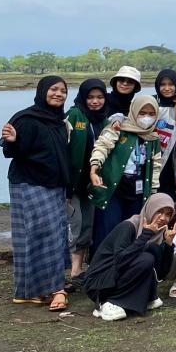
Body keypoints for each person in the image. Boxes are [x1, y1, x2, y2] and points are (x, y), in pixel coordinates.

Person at [0, 76, 72, 311]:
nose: (58, 94)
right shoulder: (26, 118)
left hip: (53, 185)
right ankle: (55, 289)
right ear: (42, 91)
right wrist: (13, 141)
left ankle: (32, 291)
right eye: (53, 89)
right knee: (41, 235)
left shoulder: (59, 121)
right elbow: (10, 148)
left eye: (63, 91)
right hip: (29, 183)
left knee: (53, 234)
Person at [81, 193, 176, 321]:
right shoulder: (129, 226)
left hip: (115, 276)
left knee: (151, 253)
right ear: (150, 209)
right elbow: (121, 260)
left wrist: (169, 245)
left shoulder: (158, 234)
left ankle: (142, 298)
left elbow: (161, 274)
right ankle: (109, 303)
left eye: (168, 214)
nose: (163, 218)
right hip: (98, 283)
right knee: (146, 258)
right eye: (159, 212)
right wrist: (145, 235)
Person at [88, 94, 162, 255]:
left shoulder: (153, 137)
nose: (146, 118)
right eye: (142, 113)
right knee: (108, 228)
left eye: (151, 114)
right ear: (134, 111)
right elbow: (102, 147)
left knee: (131, 229)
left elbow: (156, 166)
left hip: (137, 191)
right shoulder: (117, 128)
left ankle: (124, 268)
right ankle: (100, 268)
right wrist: (94, 167)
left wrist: (153, 193)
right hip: (114, 189)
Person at [65, 78, 108, 284]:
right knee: (75, 224)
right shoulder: (75, 115)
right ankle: (66, 271)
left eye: (100, 97)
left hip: (92, 184)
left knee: (86, 227)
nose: (95, 101)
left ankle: (76, 271)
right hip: (73, 182)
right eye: (90, 97)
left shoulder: (105, 119)